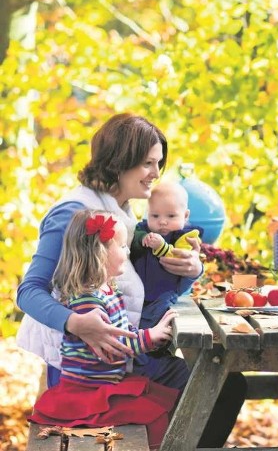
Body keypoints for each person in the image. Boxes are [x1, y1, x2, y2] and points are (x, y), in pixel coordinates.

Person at [16, 113, 245, 448]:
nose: (156, 173)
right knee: (217, 388)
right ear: (118, 161)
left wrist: (190, 268)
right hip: (86, 370)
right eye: (148, 163)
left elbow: (141, 286)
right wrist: (75, 322)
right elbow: (28, 291)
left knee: (220, 385)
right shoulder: (75, 212)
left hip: (125, 352)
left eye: (158, 163)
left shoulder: (124, 210)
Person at [29, 210, 180, 449]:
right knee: (154, 414)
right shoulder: (88, 301)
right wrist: (152, 335)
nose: (128, 252)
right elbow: (117, 345)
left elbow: (124, 329)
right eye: (122, 246)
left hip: (107, 382)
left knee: (162, 401)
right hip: (89, 392)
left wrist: (151, 336)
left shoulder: (108, 291)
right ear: (99, 253)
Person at [130, 180, 203, 329]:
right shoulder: (143, 230)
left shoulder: (187, 236)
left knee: (160, 320)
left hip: (166, 293)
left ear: (185, 215)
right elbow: (132, 240)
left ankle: (154, 347)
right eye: (155, 216)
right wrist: (142, 238)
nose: (162, 222)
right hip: (138, 294)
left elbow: (176, 259)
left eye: (171, 216)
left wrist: (161, 246)